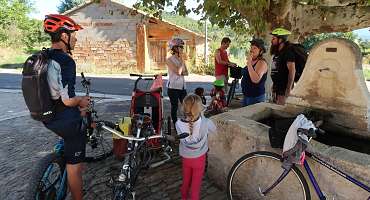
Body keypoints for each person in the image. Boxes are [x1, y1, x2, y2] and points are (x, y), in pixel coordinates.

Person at [42, 14, 90, 200]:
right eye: (73, 34)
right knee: (75, 168)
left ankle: (59, 156)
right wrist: (81, 101)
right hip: (65, 121)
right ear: (64, 36)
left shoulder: (43, 57)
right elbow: (69, 100)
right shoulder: (66, 61)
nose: (76, 38)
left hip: (46, 116)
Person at [175, 94, 217, 200]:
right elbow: (214, 130)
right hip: (199, 159)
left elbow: (189, 125)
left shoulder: (178, 123)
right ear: (199, 109)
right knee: (195, 187)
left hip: (186, 158)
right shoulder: (206, 122)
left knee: (186, 182)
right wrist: (202, 115)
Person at [270, 28, 296, 105]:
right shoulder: (278, 53)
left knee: (280, 110)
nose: (272, 40)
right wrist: (274, 85)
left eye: (274, 38)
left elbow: (292, 71)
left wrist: (288, 90)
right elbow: (277, 70)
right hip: (277, 87)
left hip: (283, 89)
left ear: (280, 40)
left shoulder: (288, 53)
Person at [166, 38, 188, 125]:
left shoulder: (180, 59)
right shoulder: (169, 59)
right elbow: (179, 72)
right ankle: (175, 124)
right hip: (173, 87)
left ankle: (187, 122)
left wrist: (181, 62)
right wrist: (182, 60)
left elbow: (186, 73)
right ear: (174, 48)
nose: (182, 48)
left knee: (186, 106)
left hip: (182, 87)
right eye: (181, 47)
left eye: (182, 47)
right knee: (174, 106)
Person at [241, 38, 268, 106]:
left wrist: (249, 63)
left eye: (254, 48)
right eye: (251, 47)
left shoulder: (262, 63)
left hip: (255, 98)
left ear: (261, 51)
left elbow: (255, 80)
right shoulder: (252, 61)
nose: (251, 50)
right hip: (246, 95)